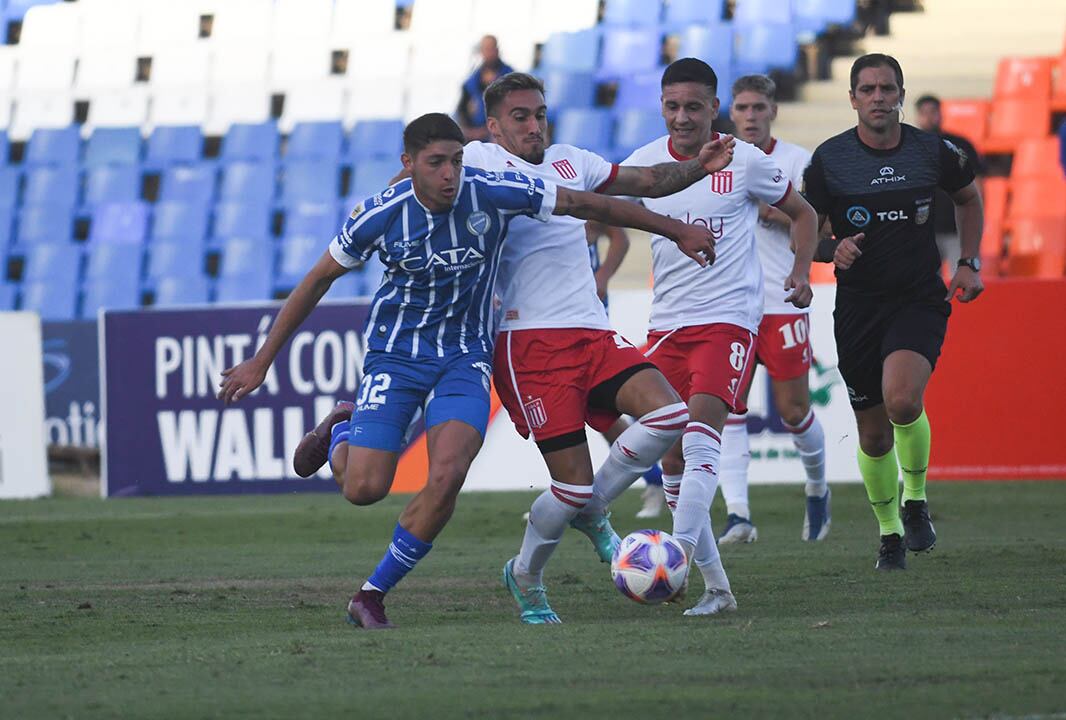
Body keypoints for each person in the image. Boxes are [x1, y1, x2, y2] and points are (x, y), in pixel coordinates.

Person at [216, 113, 719, 630]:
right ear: (408, 165)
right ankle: (343, 426)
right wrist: (261, 360)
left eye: (456, 161)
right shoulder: (381, 214)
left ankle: (372, 594)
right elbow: (317, 279)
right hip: (397, 357)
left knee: (449, 472)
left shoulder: (490, 191)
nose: (450, 174)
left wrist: (677, 229)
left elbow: (582, 202)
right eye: (436, 164)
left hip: (466, 356)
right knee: (362, 488)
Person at [460, 72, 735, 624]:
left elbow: (647, 180)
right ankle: (527, 575)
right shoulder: (478, 162)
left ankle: (595, 507)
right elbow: (415, 178)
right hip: (527, 343)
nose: (535, 125)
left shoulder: (571, 157)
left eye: (540, 113)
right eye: (520, 116)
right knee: (570, 485)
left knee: (670, 415)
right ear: (493, 126)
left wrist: (697, 166)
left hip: (593, 331)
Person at [626, 58, 818, 615]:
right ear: (661, 107)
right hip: (666, 327)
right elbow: (594, 212)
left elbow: (803, 215)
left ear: (716, 108)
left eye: (694, 106)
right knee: (672, 464)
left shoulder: (746, 160)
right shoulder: (644, 164)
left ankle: (675, 559)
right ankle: (718, 589)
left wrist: (801, 272)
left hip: (729, 319)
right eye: (672, 106)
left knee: (701, 433)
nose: (682, 117)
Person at [803, 54, 984, 571]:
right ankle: (888, 534)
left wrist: (968, 263)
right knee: (874, 435)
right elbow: (808, 233)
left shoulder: (933, 151)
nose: (878, 97)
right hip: (858, 305)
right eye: (868, 89)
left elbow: (970, 200)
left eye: (887, 88)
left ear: (901, 95)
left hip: (917, 298)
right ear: (853, 98)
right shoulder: (830, 160)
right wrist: (829, 251)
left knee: (903, 401)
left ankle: (917, 500)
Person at [714, 74, 830, 545]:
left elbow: (818, 224)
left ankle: (818, 488)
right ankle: (739, 515)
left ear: (773, 111)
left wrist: (776, 212)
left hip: (782, 303)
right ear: (732, 113)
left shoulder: (796, 161)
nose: (751, 116)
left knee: (794, 410)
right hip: (729, 307)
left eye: (759, 107)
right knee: (729, 411)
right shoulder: (717, 158)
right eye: (743, 108)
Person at [586, 220, 666, 519]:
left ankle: (660, 476)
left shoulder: (572, 194)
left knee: (591, 405)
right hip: (543, 322)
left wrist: (602, 278)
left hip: (586, 320)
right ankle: (655, 477)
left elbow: (618, 234)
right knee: (588, 411)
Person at [913, 94, 984, 269]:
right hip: (923, 230)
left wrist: (977, 217)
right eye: (924, 113)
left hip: (957, 228)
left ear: (941, 113)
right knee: (924, 287)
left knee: (963, 283)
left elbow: (978, 183)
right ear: (917, 116)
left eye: (933, 112)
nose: (929, 117)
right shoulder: (910, 147)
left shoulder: (960, 145)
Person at [457, 35, 514, 141]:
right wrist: (469, 130)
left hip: (500, 133)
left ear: (497, 50)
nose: (489, 53)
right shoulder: (471, 81)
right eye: (486, 49)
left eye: (491, 48)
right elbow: (461, 108)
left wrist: (488, 130)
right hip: (474, 133)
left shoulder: (510, 77)